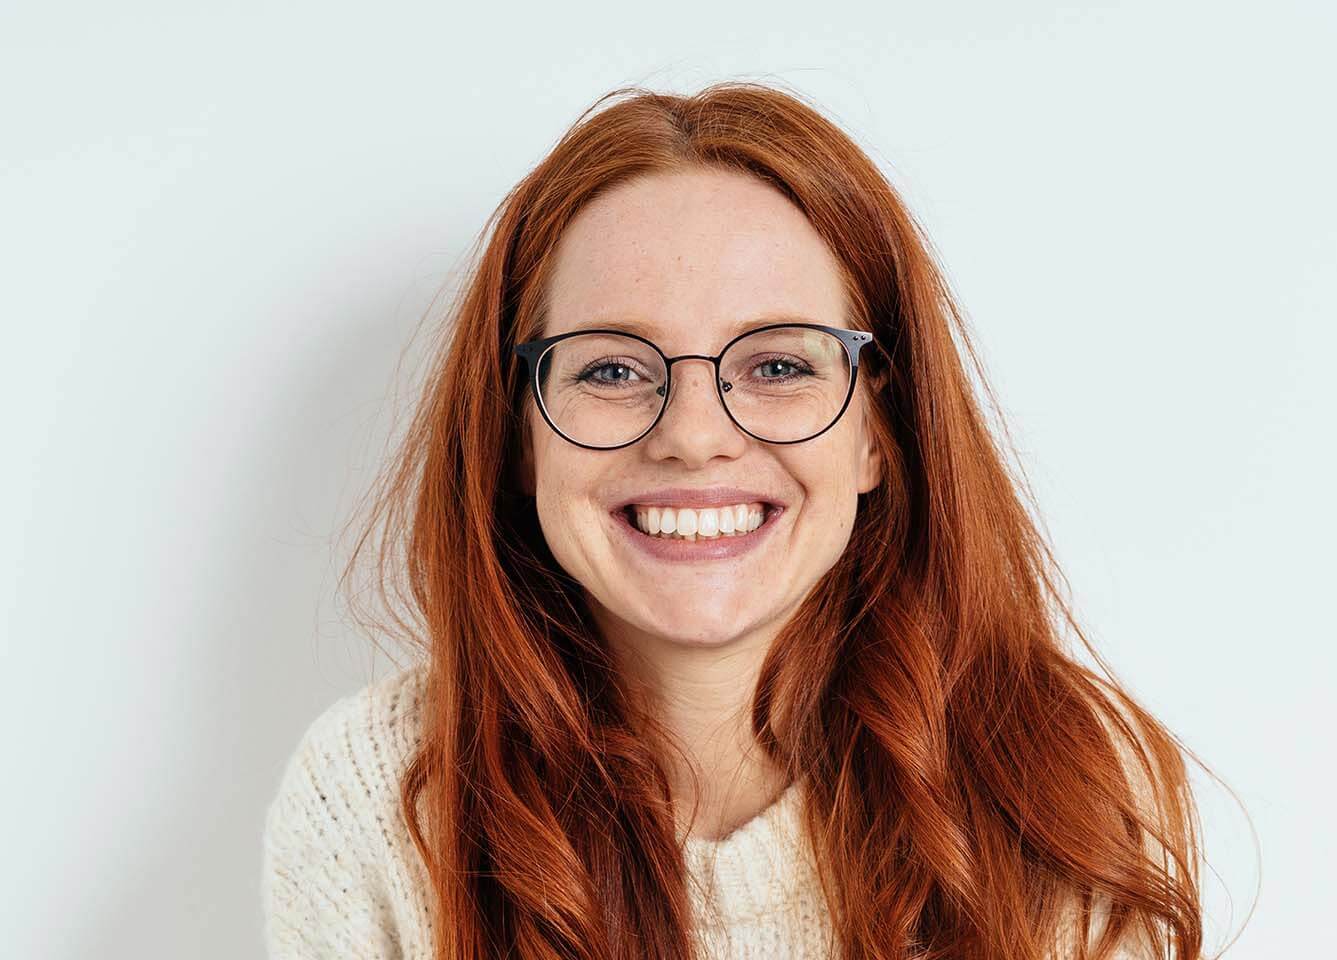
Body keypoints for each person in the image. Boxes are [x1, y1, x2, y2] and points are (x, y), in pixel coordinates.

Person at [261, 81, 1208, 960]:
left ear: (878, 432)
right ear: (517, 439)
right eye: (612, 369)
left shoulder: (1065, 785)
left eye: (780, 365)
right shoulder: (379, 798)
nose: (696, 435)